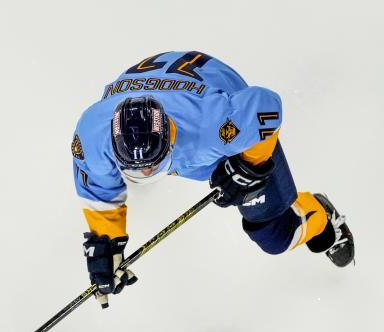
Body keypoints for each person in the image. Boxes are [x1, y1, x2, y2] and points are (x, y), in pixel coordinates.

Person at [71, 51, 354, 307]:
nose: (145, 173)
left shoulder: (213, 128)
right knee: (114, 177)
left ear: (171, 138)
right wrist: (106, 244)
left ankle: (319, 216)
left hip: (217, 96)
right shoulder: (92, 135)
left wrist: (247, 166)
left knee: (275, 237)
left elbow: (266, 106)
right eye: (135, 168)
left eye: (152, 165)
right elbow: (98, 188)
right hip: (166, 82)